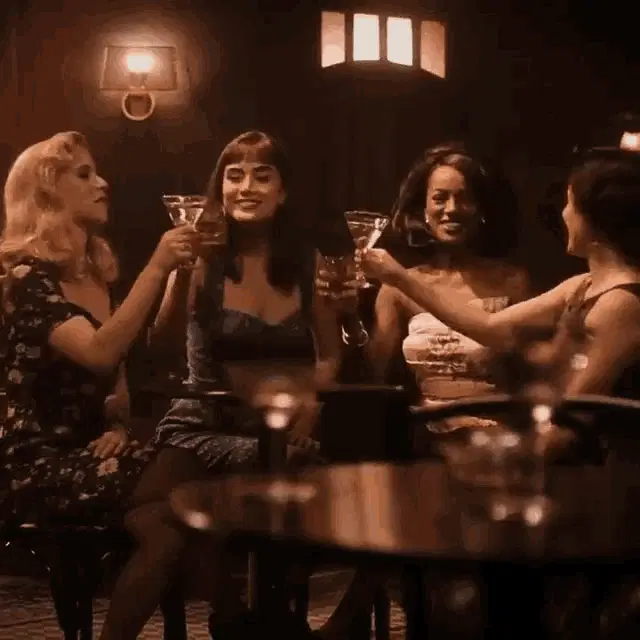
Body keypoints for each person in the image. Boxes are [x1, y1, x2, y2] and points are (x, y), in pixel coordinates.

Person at [364, 147, 640, 637]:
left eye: (570, 203)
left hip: (600, 475)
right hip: (557, 454)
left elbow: (573, 415)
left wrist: (493, 455)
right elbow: (491, 328)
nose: (562, 214)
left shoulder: (624, 302)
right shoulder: (583, 286)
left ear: (596, 220)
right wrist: (399, 279)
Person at [100, 131, 343, 639]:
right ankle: (235, 616)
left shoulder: (308, 263)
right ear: (219, 188)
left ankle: (252, 619)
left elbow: (329, 355)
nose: (246, 187)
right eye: (235, 176)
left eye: (262, 176)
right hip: (199, 424)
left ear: (283, 191)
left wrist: (309, 412)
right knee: (163, 522)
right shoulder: (203, 260)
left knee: (305, 500)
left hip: (273, 428)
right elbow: (162, 345)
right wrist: (178, 274)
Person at [0, 131, 198, 527]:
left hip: (89, 454)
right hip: (30, 465)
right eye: (84, 175)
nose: (103, 183)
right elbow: (99, 353)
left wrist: (117, 428)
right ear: (47, 193)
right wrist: (158, 266)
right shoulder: (23, 277)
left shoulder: (96, 276)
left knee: (173, 502)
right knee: (182, 479)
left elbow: (117, 386)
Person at [368, 142, 529, 434]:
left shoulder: (512, 282)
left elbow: (533, 373)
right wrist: (344, 315)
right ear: (423, 209)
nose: (452, 209)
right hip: (425, 436)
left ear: (481, 209)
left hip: (495, 436)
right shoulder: (396, 288)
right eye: (440, 198)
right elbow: (373, 378)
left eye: (464, 199)